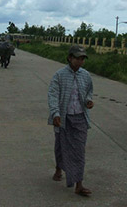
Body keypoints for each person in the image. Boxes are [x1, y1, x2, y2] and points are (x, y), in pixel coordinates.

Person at [48, 45, 94, 196]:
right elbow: (53, 95)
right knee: (61, 146)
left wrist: (88, 101)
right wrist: (55, 114)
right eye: (77, 58)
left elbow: (89, 91)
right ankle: (58, 168)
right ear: (69, 58)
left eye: (82, 59)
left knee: (79, 151)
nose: (80, 61)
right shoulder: (59, 75)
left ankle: (79, 184)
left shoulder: (86, 75)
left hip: (80, 117)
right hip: (63, 118)